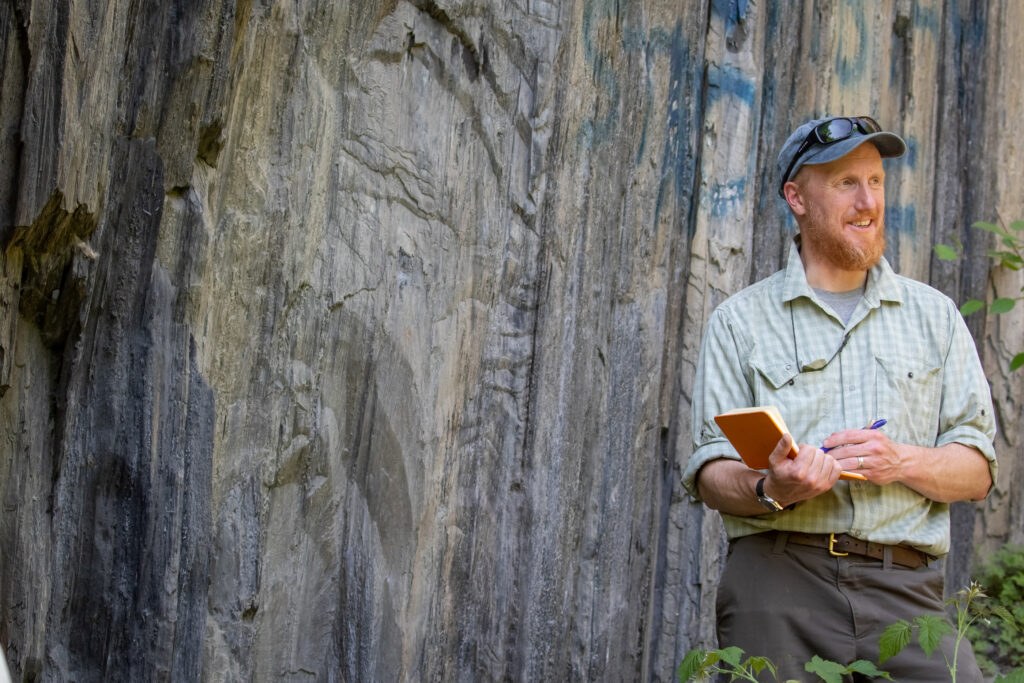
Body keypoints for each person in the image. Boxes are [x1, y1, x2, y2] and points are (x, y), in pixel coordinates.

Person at [682, 116, 997, 681]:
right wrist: (773, 487)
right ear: (796, 198)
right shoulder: (740, 323)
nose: (867, 201)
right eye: (846, 182)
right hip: (778, 582)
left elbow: (975, 471)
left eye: (875, 182)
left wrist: (901, 460)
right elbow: (712, 476)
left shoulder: (936, 318)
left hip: (907, 591)